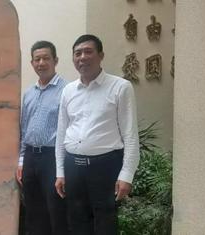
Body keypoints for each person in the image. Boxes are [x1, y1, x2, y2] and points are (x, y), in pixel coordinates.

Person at [55, 34, 140, 234]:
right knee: (76, 221)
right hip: (73, 167)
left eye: (88, 52)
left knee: (105, 223)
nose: (82, 57)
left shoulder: (120, 87)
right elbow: (61, 133)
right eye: (77, 53)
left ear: (101, 55)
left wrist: (127, 174)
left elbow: (130, 134)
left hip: (105, 167)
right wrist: (60, 172)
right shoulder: (68, 91)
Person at [16, 40, 68, 235]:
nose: (41, 63)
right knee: (33, 210)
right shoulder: (28, 93)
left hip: (52, 158)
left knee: (56, 210)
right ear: (32, 63)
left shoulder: (67, 91)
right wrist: (21, 160)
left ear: (55, 60)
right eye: (37, 59)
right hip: (30, 157)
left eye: (46, 58)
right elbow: (24, 128)